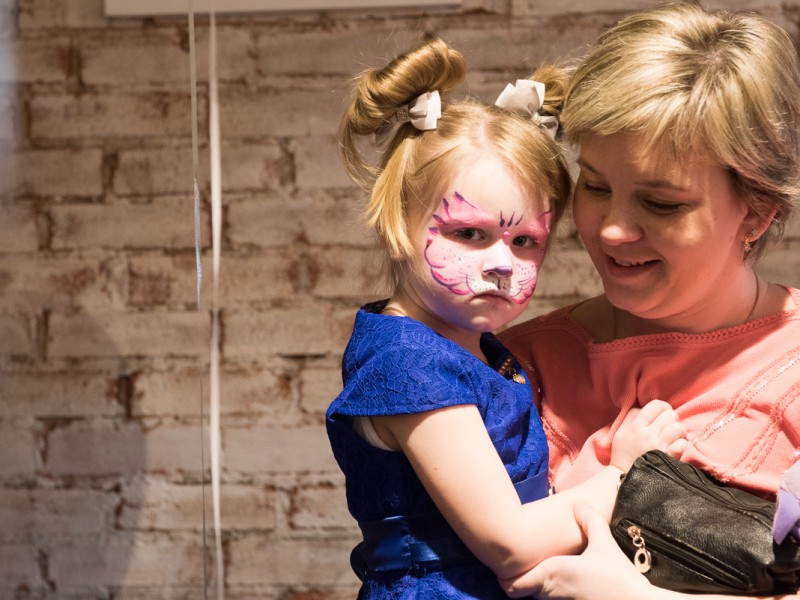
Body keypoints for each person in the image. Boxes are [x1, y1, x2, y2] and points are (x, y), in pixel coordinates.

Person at [326, 37, 686, 599]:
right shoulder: (409, 365)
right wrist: (626, 472)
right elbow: (511, 542)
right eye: (470, 233)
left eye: (524, 241)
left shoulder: (475, 347)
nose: (501, 264)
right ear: (396, 227)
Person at [499, 2, 800, 598]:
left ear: (757, 211)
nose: (612, 229)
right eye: (595, 186)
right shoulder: (513, 366)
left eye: (662, 204)